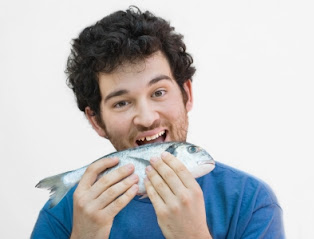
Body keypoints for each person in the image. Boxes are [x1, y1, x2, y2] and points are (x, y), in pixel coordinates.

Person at [32, 6, 285, 239]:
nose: (147, 118)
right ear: (96, 121)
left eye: (159, 92)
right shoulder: (64, 213)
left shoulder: (250, 203)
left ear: (187, 94)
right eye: (121, 103)